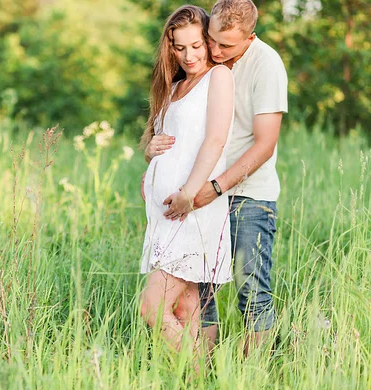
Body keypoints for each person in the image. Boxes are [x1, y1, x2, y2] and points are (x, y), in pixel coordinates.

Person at [146, 0, 288, 356]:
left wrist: (213, 188)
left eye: (225, 46)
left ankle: (252, 375)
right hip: (201, 197)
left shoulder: (265, 65)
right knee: (202, 296)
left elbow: (265, 143)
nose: (214, 51)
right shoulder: (199, 66)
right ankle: (203, 373)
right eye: (211, 40)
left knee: (250, 290)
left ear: (250, 38)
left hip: (246, 194)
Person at [139, 4, 234, 357]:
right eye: (179, 47)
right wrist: (150, 154)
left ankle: (194, 372)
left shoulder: (218, 76)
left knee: (151, 308)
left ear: (207, 41)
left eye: (196, 45)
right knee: (184, 309)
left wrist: (189, 194)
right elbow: (165, 144)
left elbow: (214, 140)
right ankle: (196, 378)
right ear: (170, 46)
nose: (189, 55)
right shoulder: (175, 86)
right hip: (165, 217)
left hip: (190, 211)